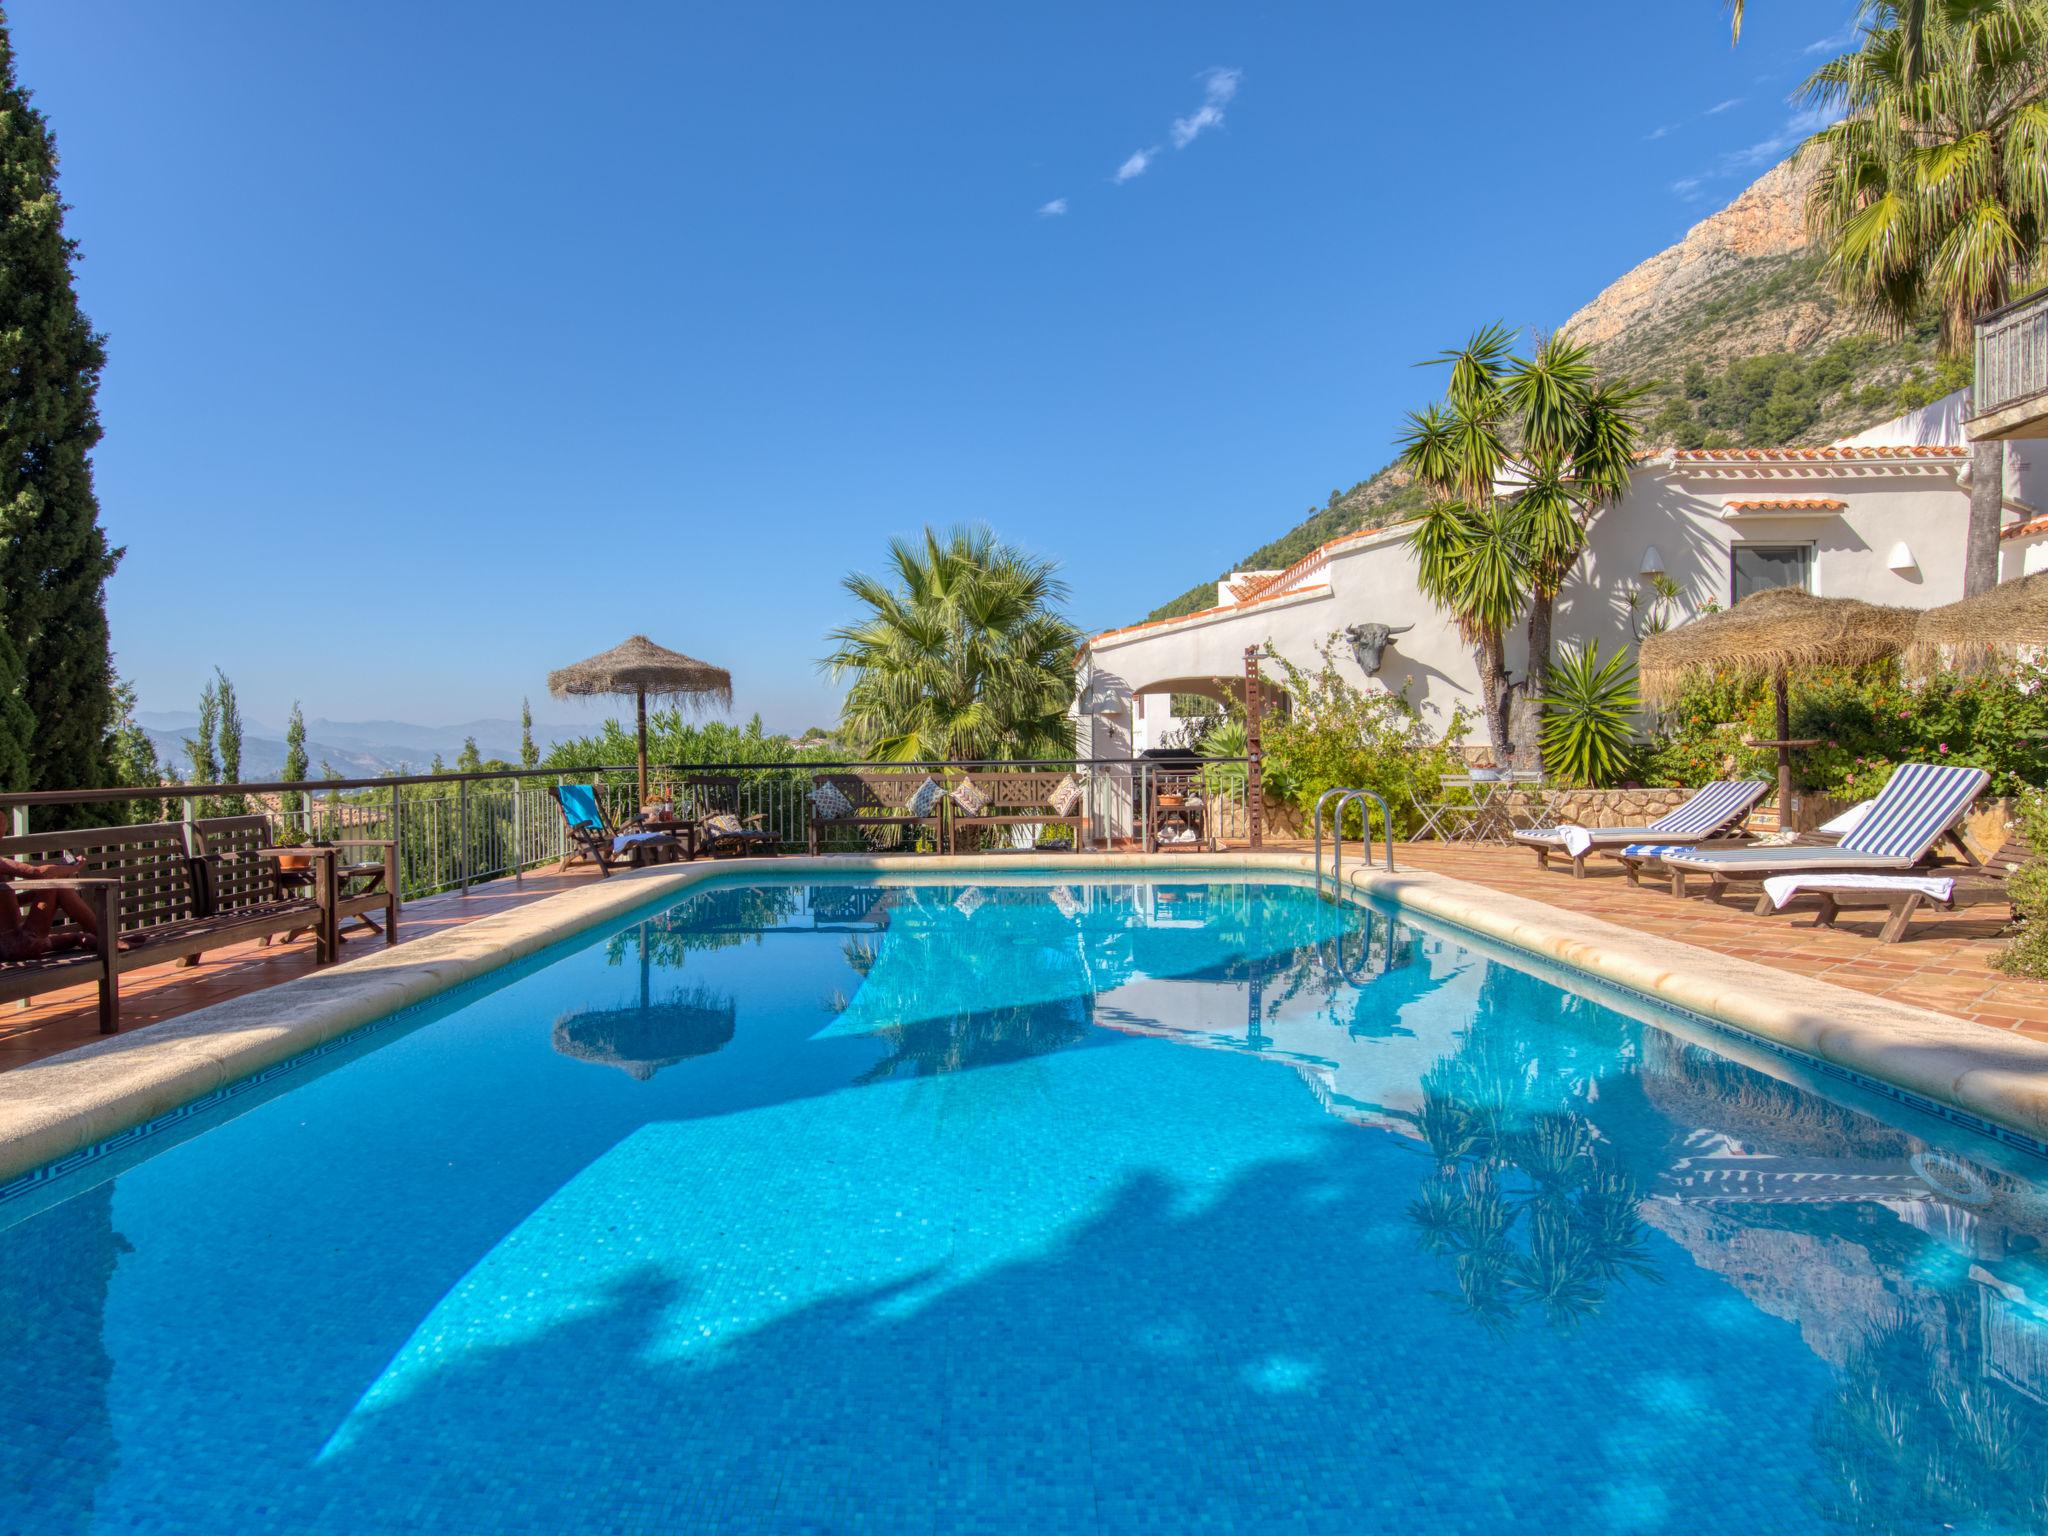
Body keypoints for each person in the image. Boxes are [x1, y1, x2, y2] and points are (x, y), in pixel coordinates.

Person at [0, 855, 104, 961]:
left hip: (12, 944)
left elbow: (15, 902)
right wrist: (71, 868)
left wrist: (55, 878)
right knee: (59, 886)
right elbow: (38, 872)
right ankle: (106, 937)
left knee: (79, 938)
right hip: (19, 944)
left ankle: (100, 938)